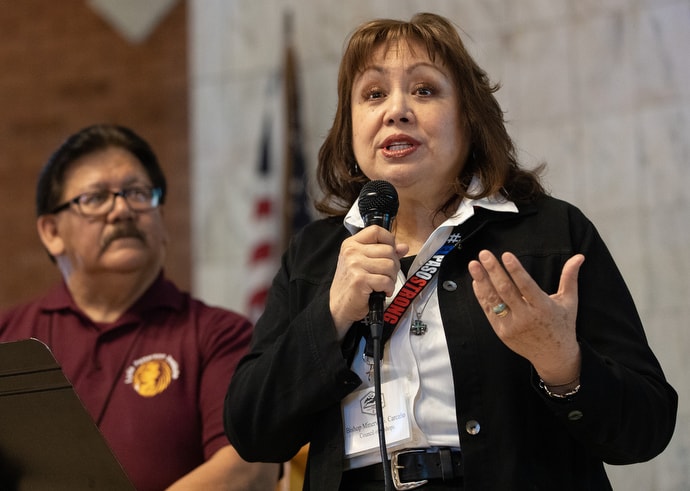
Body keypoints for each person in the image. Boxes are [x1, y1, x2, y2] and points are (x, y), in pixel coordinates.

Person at [223, 12, 678, 491]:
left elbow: (646, 430)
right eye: (373, 94)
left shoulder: (549, 233)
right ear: (349, 125)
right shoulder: (315, 255)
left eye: (424, 90)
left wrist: (563, 364)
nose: (395, 111)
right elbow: (252, 433)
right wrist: (332, 315)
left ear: (469, 118)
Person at [0, 124, 279, 491]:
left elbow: (247, 470)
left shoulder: (220, 335)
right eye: (96, 198)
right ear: (52, 232)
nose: (122, 210)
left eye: (137, 193)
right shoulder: (9, 335)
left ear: (161, 219)